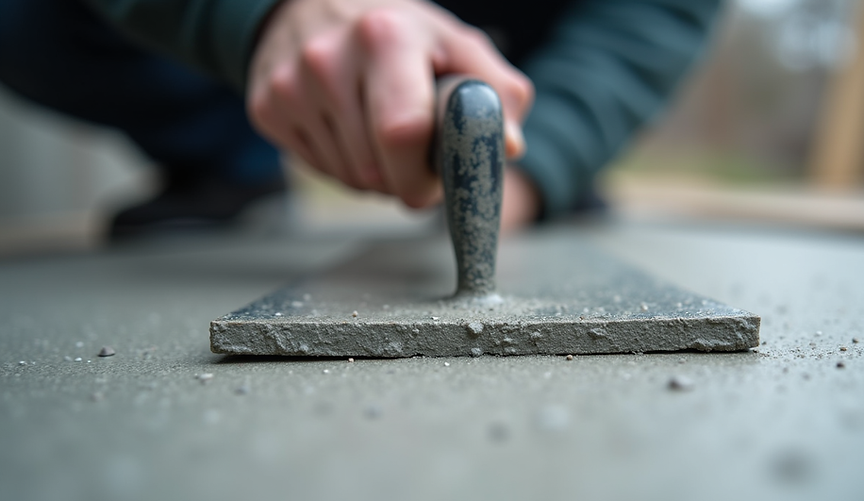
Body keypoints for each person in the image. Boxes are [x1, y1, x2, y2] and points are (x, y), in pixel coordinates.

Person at [0, 0, 720, 237]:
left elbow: (649, 20)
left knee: (535, 139)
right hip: (251, 53)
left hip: (520, 66)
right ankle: (229, 164)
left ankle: (532, 163)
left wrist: (540, 160)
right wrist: (263, 15)